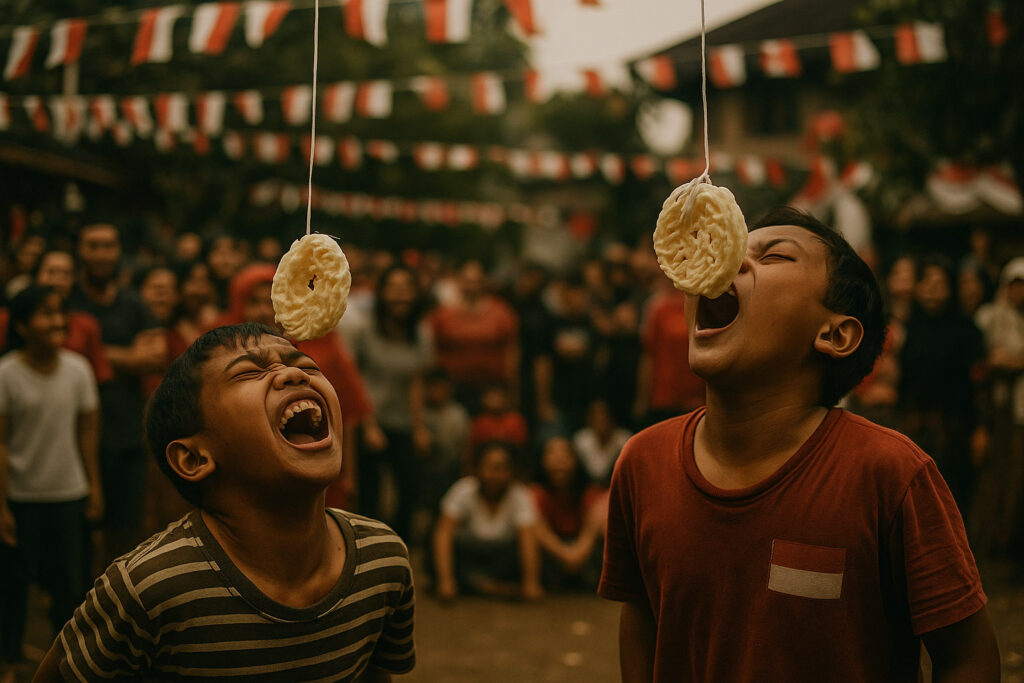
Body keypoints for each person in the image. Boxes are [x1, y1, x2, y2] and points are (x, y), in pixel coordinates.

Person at [599, 207, 1000, 682]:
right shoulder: (643, 461)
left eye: (773, 257)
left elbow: (966, 659)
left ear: (834, 334)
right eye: (728, 247)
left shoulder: (890, 474)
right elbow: (644, 621)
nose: (728, 260)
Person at [32, 323, 415, 681]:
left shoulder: (384, 559)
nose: (294, 374)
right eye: (249, 373)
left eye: (307, 365)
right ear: (194, 458)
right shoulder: (148, 588)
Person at [0, 287, 102, 680]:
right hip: (22, 497)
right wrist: (2, 505)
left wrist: (94, 487)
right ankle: (9, 661)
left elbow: (88, 432)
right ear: (23, 326)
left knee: (70, 586)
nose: (58, 322)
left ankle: (68, 666)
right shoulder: (7, 373)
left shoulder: (78, 369)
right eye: (45, 314)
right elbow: (3, 442)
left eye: (60, 313)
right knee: (14, 589)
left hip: (68, 494)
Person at [219, 264, 376, 510]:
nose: (262, 311)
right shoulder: (219, 352)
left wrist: (347, 477)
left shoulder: (320, 341)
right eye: (253, 301)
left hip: (315, 468)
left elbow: (346, 411)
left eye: (270, 301)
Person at [67, 222, 166, 561]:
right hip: (72, 436)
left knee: (125, 538)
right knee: (78, 540)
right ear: (80, 251)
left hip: (126, 434)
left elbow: (156, 356)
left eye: (108, 245)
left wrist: (92, 350)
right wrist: (128, 355)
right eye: (93, 245)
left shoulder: (133, 302)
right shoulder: (67, 300)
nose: (101, 254)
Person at [349, 265, 433, 542]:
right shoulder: (366, 329)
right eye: (393, 288)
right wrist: (369, 424)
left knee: (411, 485)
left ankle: (398, 544)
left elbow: (416, 382)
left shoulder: (421, 333)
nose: (401, 295)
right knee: (369, 491)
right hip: (368, 417)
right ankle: (367, 546)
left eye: (406, 288)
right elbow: (354, 377)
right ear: (382, 292)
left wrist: (420, 427)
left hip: (402, 419)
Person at [433, 442, 541, 602]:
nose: (496, 475)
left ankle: (483, 586)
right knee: (435, 551)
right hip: (469, 556)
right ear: (478, 469)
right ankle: (489, 587)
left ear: (512, 471)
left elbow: (528, 538)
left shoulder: (519, 495)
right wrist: (445, 581)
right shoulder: (463, 490)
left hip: (501, 558)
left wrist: (531, 583)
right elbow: (444, 533)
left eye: (502, 468)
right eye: (490, 467)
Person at [428, 259, 519, 411]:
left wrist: (512, 390)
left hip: (490, 391)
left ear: (484, 282)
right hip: (451, 390)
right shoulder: (442, 314)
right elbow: (431, 350)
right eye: (467, 280)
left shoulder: (502, 312)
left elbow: (512, 351)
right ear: (459, 281)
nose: (471, 286)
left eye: (476, 281)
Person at [530, 436, 607, 591]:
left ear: (576, 461)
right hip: (553, 553)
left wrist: (576, 555)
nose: (559, 461)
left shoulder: (589, 492)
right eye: (552, 455)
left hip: (583, 551)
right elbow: (539, 529)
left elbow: (591, 529)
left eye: (565, 456)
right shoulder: (536, 492)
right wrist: (566, 555)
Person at [572, 398, 631, 486]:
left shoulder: (624, 439)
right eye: (596, 415)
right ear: (589, 418)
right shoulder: (581, 440)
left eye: (604, 414)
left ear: (612, 417)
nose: (600, 418)